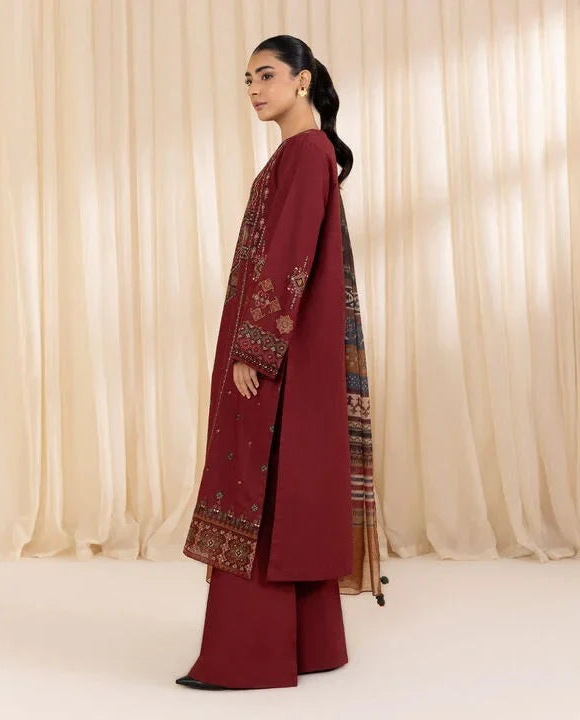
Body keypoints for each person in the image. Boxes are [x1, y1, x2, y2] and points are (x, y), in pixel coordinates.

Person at [177, 34, 388, 691]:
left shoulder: (304, 152)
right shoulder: (305, 153)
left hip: (280, 353)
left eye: (266, 75)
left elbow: (289, 253)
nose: (254, 90)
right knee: (286, 485)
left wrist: (255, 349)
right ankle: (311, 646)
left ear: (303, 80)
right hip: (294, 348)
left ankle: (246, 658)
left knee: (259, 484)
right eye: (247, 80)